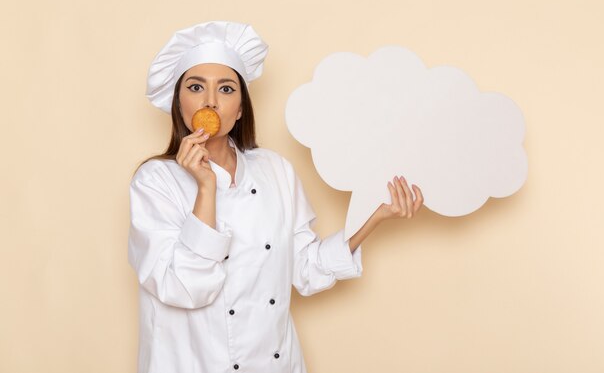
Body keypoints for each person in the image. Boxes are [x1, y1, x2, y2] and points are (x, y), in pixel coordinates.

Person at [128, 21, 423, 373]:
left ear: (239, 109)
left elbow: (305, 268)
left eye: (225, 89)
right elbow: (187, 287)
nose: (210, 101)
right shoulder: (154, 182)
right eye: (196, 87)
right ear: (179, 104)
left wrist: (374, 216)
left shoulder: (274, 170)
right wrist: (206, 187)